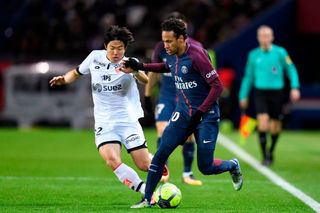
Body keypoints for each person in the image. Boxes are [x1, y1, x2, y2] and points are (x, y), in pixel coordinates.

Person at [120, 18, 243, 208]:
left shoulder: (197, 56)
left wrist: (201, 111)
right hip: (184, 113)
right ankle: (147, 199)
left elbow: (217, 86)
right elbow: (165, 67)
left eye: (169, 41)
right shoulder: (170, 53)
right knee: (161, 154)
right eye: (164, 41)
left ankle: (232, 165)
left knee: (205, 167)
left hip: (206, 116)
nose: (165, 45)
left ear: (182, 39)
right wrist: (140, 66)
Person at [49, 25, 168, 196]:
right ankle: (147, 193)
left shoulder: (129, 62)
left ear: (125, 48)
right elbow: (75, 73)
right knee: (112, 161)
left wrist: (134, 70)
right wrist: (64, 80)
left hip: (127, 121)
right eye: (112, 48)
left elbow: (144, 79)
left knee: (143, 165)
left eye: (120, 48)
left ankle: (153, 161)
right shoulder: (94, 58)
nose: (116, 52)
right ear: (105, 46)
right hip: (105, 122)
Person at [144, 12, 202, 186]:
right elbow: (153, 71)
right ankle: (164, 171)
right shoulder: (161, 48)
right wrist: (147, 95)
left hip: (187, 96)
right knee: (163, 130)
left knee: (189, 135)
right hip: (167, 95)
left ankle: (187, 174)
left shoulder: (196, 47)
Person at [239, 25, 300, 166]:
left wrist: (295, 87)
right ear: (258, 38)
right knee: (263, 121)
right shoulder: (253, 55)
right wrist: (243, 95)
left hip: (277, 93)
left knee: (275, 127)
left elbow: (291, 69)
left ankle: (271, 150)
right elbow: (248, 77)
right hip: (260, 92)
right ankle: (264, 155)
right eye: (262, 36)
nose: (265, 39)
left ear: (272, 37)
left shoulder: (280, 52)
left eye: (267, 36)